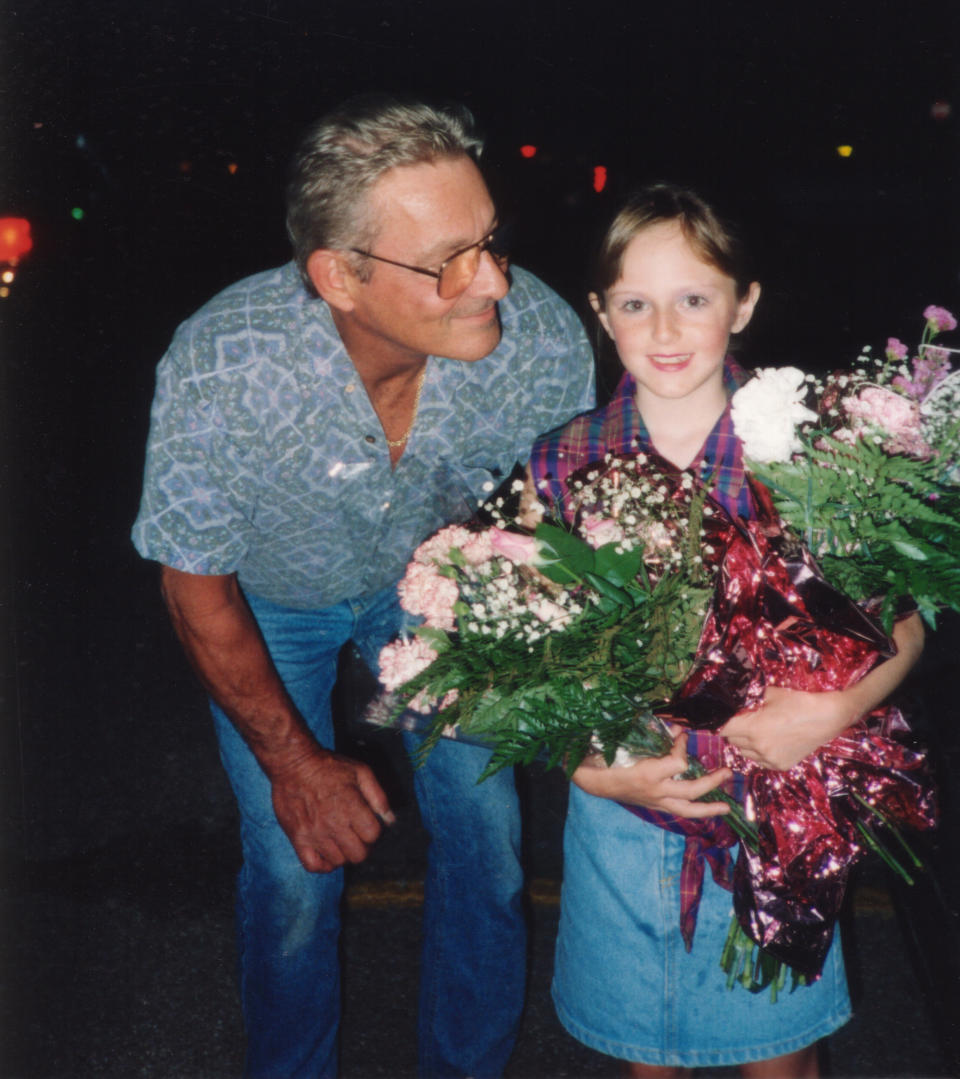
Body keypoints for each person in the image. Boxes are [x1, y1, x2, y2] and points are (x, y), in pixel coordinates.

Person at [131, 95, 595, 1079]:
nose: (496, 281)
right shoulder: (227, 365)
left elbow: (571, 514)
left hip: (433, 583)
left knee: (491, 837)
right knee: (294, 868)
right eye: (449, 261)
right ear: (341, 276)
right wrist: (297, 765)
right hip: (273, 602)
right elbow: (195, 590)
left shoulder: (541, 340)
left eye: (492, 241)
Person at [526, 184, 924, 1078]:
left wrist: (828, 714)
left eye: (694, 299)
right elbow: (526, 663)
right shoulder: (560, 461)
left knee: (776, 1054)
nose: (664, 328)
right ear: (601, 312)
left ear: (743, 302)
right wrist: (582, 760)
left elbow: (903, 622)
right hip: (626, 808)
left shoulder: (816, 453)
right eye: (635, 302)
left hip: (776, 805)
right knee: (645, 1054)